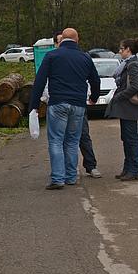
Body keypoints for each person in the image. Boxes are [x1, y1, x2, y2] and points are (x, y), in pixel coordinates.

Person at [30, 28, 101, 190]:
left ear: (61, 40)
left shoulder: (52, 56)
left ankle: (57, 178)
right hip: (78, 104)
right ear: (77, 39)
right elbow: (95, 81)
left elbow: (40, 81)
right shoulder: (85, 58)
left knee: (56, 140)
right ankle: (71, 177)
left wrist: (34, 105)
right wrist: (93, 98)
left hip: (58, 103)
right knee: (72, 141)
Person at [52, 31, 102, 179]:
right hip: (59, 104)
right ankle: (63, 172)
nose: (62, 43)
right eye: (59, 41)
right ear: (56, 44)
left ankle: (90, 166)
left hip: (78, 103)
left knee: (83, 136)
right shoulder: (53, 58)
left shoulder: (79, 57)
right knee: (60, 140)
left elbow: (92, 79)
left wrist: (92, 97)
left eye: (64, 40)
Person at [106, 38, 138, 181]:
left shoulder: (132, 64)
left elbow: (136, 86)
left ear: (128, 49)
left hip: (129, 107)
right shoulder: (128, 64)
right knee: (126, 138)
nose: (119, 51)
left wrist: (119, 96)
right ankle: (128, 168)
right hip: (126, 107)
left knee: (131, 139)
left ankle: (134, 169)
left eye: (121, 49)